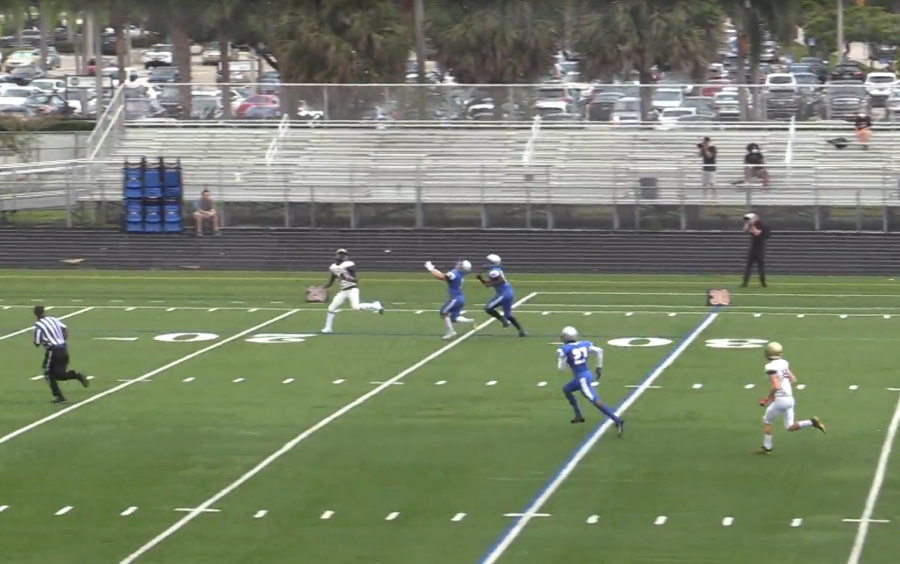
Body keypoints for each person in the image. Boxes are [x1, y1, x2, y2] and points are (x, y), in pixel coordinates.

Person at [758, 341, 825, 454]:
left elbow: (775, 386)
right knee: (789, 426)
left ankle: (767, 447)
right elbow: (793, 380)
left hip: (781, 400)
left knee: (767, 421)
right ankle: (811, 422)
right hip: (789, 399)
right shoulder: (784, 363)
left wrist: (768, 399)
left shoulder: (770, 366)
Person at [557, 326, 624, 434]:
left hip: (581, 379)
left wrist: (561, 358)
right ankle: (578, 415)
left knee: (594, 400)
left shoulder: (565, 349)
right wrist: (599, 367)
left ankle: (617, 420)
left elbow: (561, 369)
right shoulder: (584, 344)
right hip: (585, 375)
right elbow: (599, 350)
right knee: (566, 389)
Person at [33, 305, 88, 404]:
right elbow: (64, 329)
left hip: (53, 351)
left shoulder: (39, 325)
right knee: (59, 374)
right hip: (63, 348)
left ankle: (59, 396)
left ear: (35, 314)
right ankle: (76, 375)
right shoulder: (53, 319)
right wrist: (62, 339)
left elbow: (37, 342)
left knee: (48, 374)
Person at [321, 249, 383, 333]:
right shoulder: (333, 267)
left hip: (352, 289)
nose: (341, 256)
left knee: (355, 308)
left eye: (343, 254)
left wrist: (349, 278)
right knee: (331, 308)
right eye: (340, 254)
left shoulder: (349, 264)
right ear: (337, 255)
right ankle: (328, 328)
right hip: (343, 291)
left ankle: (375, 305)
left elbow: (355, 279)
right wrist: (326, 286)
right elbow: (333, 277)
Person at [424, 259, 475, 340]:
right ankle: (470, 322)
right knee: (454, 318)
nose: (458, 264)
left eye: (460, 265)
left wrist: (430, 269)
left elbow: (441, 277)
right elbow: (443, 276)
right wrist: (433, 269)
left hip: (455, 299)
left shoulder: (454, 274)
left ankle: (451, 331)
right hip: (460, 298)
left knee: (443, 312)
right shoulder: (459, 275)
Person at [476, 254, 525, 337]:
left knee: (488, 308)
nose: (486, 263)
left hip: (503, 294)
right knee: (508, 315)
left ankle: (503, 321)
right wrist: (481, 279)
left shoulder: (493, 271)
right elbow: (488, 285)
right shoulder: (496, 270)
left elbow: (501, 281)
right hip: (508, 293)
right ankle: (521, 331)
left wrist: (491, 283)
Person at [741, 212, 771, 287]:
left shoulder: (763, 226)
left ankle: (763, 282)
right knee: (748, 266)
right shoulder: (751, 225)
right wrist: (748, 224)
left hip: (760, 248)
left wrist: (752, 226)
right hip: (753, 248)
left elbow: (757, 233)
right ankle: (745, 283)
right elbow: (744, 230)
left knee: (760, 266)